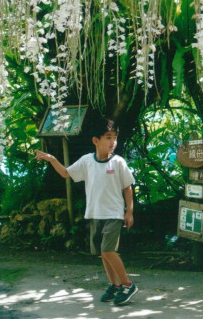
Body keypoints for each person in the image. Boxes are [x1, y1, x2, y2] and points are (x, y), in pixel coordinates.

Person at [34, 117, 138, 305]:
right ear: (95, 140)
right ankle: (114, 285)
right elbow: (66, 173)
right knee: (102, 252)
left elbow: (128, 188)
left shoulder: (119, 163)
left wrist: (129, 212)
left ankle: (128, 284)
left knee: (107, 250)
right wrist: (52, 159)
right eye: (108, 137)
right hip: (94, 213)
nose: (113, 142)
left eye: (115, 138)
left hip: (113, 214)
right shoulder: (86, 161)